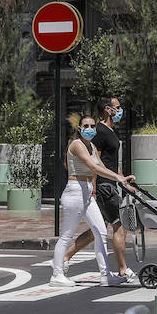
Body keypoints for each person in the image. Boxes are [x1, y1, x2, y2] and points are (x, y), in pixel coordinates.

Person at [65, 96, 137, 284]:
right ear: (108, 109)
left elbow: (112, 162)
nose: (120, 110)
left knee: (97, 229)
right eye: (118, 107)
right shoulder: (101, 132)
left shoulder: (112, 131)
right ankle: (123, 270)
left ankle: (65, 257)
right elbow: (95, 161)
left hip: (111, 183)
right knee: (119, 226)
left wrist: (123, 181)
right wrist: (96, 186)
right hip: (105, 186)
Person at [50, 117, 112, 287]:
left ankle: (105, 274)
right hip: (75, 190)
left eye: (93, 126)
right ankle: (56, 274)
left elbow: (101, 168)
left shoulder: (91, 146)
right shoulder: (77, 144)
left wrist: (121, 178)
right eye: (86, 126)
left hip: (86, 192)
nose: (90, 128)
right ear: (79, 128)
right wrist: (119, 178)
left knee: (100, 232)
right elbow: (93, 167)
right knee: (66, 235)